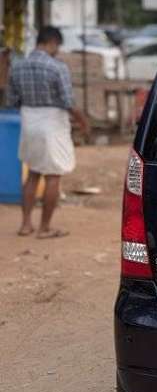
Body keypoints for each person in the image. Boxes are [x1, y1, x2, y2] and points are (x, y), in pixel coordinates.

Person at [7, 26, 90, 238]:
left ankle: (26, 224)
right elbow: (68, 102)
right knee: (53, 175)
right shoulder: (57, 67)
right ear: (52, 42)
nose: (57, 51)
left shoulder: (17, 67)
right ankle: (45, 227)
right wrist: (83, 122)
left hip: (29, 122)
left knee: (33, 173)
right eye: (57, 46)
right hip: (52, 124)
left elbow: (12, 101)